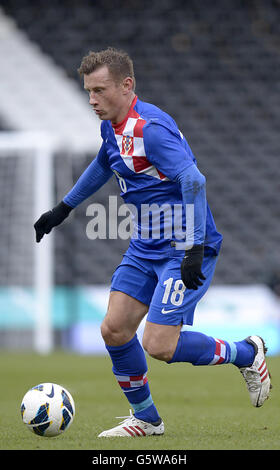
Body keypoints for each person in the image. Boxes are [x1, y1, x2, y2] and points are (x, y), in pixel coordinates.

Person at [34, 47, 271, 438]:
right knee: (114, 330)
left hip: (183, 246)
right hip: (146, 244)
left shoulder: (150, 129)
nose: (92, 100)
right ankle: (146, 419)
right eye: (88, 91)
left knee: (160, 344)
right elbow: (104, 163)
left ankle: (247, 352)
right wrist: (63, 208)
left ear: (127, 86)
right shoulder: (112, 125)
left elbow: (194, 180)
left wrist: (194, 246)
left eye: (100, 90)